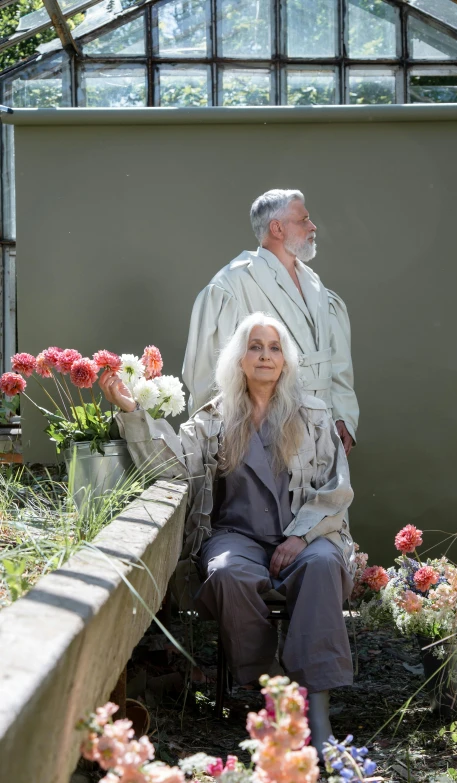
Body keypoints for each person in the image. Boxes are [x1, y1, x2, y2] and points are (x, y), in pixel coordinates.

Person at [99, 312, 355, 758]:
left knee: (323, 565)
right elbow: (174, 464)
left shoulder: (313, 415)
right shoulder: (214, 418)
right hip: (237, 535)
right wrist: (132, 412)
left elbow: (335, 488)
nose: (265, 355)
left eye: (274, 347)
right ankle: (269, 685)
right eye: (255, 346)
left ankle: (317, 709)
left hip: (304, 535)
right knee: (225, 573)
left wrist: (300, 537)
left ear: (286, 360)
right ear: (240, 358)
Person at [183, 188, 359, 457]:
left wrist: (344, 417)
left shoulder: (315, 284)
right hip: (261, 434)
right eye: (303, 220)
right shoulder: (231, 283)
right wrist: (218, 439)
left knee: (319, 498)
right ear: (277, 228)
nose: (313, 227)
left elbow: (338, 361)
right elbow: (206, 373)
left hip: (323, 432)